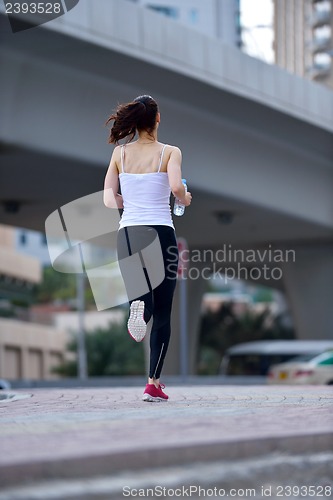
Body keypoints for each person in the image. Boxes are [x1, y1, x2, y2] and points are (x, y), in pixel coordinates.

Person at [103, 95, 192, 402]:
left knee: (142, 299)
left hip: (127, 234)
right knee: (164, 311)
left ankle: (138, 308)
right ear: (156, 120)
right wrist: (184, 197)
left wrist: (122, 202)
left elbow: (107, 197)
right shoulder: (170, 151)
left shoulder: (120, 154)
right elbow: (177, 187)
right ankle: (153, 383)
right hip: (160, 232)